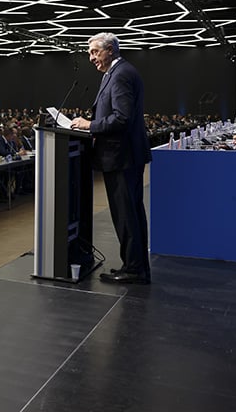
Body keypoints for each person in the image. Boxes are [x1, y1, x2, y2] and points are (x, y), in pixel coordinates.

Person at [70, 32, 152, 285]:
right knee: (131, 213)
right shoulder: (117, 73)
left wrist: (89, 125)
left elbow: (122, 118)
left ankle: (134, 269)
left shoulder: (120, 75)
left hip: (121, 157)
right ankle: (135, 265)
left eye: (95, 52)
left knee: (127, 215)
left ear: (110, 50)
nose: (92, 58)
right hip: (124, 155)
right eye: (90, 53)